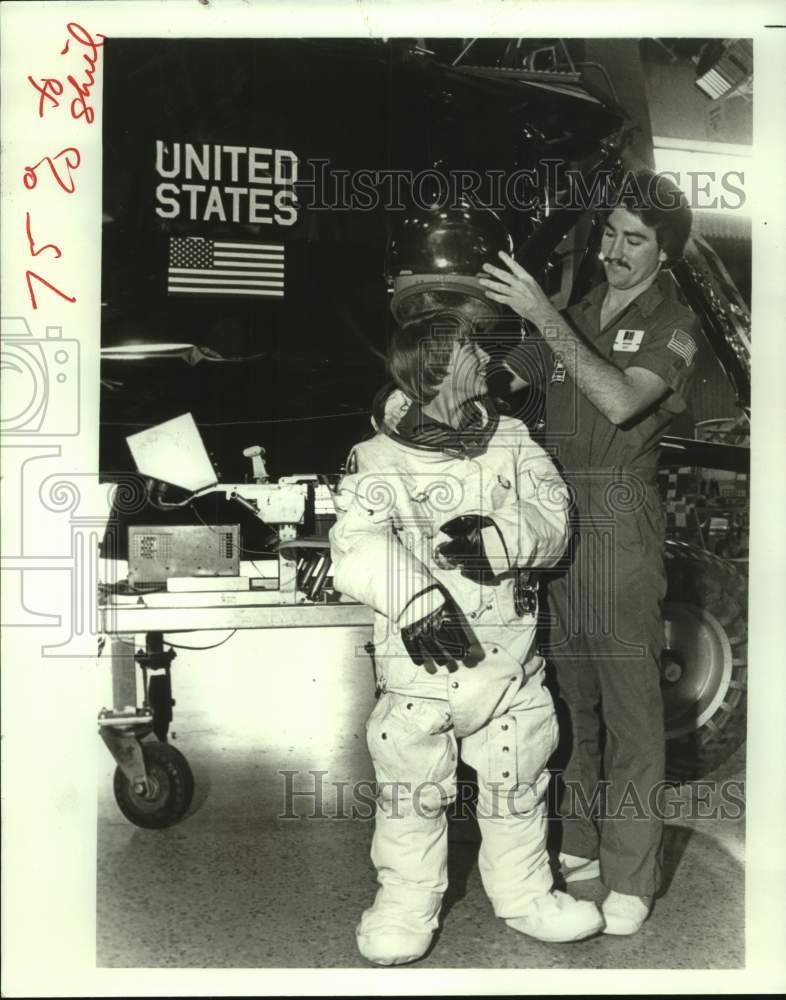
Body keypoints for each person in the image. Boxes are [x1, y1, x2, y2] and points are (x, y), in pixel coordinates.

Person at [329, 312, 605, 966]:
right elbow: (355, 545)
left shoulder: (510, 438)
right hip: (424, 666)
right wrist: (414, 597)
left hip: (509, 659)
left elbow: (555, 516)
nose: (484, 358)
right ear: (433, 368)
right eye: (469, 349)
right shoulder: (378, 457)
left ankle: (527, 894)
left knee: (519, 779)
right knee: (413, 788)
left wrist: (503, 542)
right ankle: (406, 904)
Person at [479, 170, 697, 936]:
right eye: (608, 233)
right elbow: (504, 380)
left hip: (619, 522)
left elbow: (620, 399)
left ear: (666, 253)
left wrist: (543, 315)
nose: (614, 250)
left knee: (632, 710)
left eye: (634, 239)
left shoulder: (674, 327)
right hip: (555, 519)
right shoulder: (576, 313)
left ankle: (632, 874)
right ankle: (579, 846)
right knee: (571, 704)